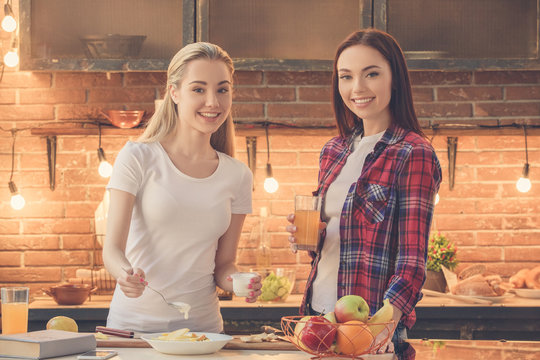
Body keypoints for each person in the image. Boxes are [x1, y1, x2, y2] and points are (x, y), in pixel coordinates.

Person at [286, 29, 442, 357]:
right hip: (317, 318)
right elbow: (333, 247)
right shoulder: (334, 151)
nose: (357, 88)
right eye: (346, 76)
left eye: (371, 74)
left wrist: (387, 323)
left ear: (394, 79)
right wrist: (312, 237)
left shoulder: (412, 152)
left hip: (370, 326)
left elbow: (412, 259)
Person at [103, 42, 260, 334]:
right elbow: (112, 248)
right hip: (135, 331)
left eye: (222, 89)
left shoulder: (237, 175)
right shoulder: (137, 157)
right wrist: (125, 274)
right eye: (198, 89)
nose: (213, 102)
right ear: (174, 92)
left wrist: (240, 283)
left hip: (202, 333)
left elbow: (223, 265)